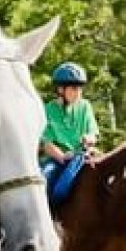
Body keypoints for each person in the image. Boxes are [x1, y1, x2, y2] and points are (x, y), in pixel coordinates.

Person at [40, 61, 99, 205]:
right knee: (43, 179)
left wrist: (89, 138)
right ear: (60, 89)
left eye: (80, 88)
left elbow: (93, 134)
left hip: (84, 156)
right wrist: (62, 156)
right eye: (74, 88)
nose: (79, 92)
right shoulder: (47, 110)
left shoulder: (85, 106)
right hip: (58, 159)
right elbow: (46, 144)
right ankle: (50, 219)